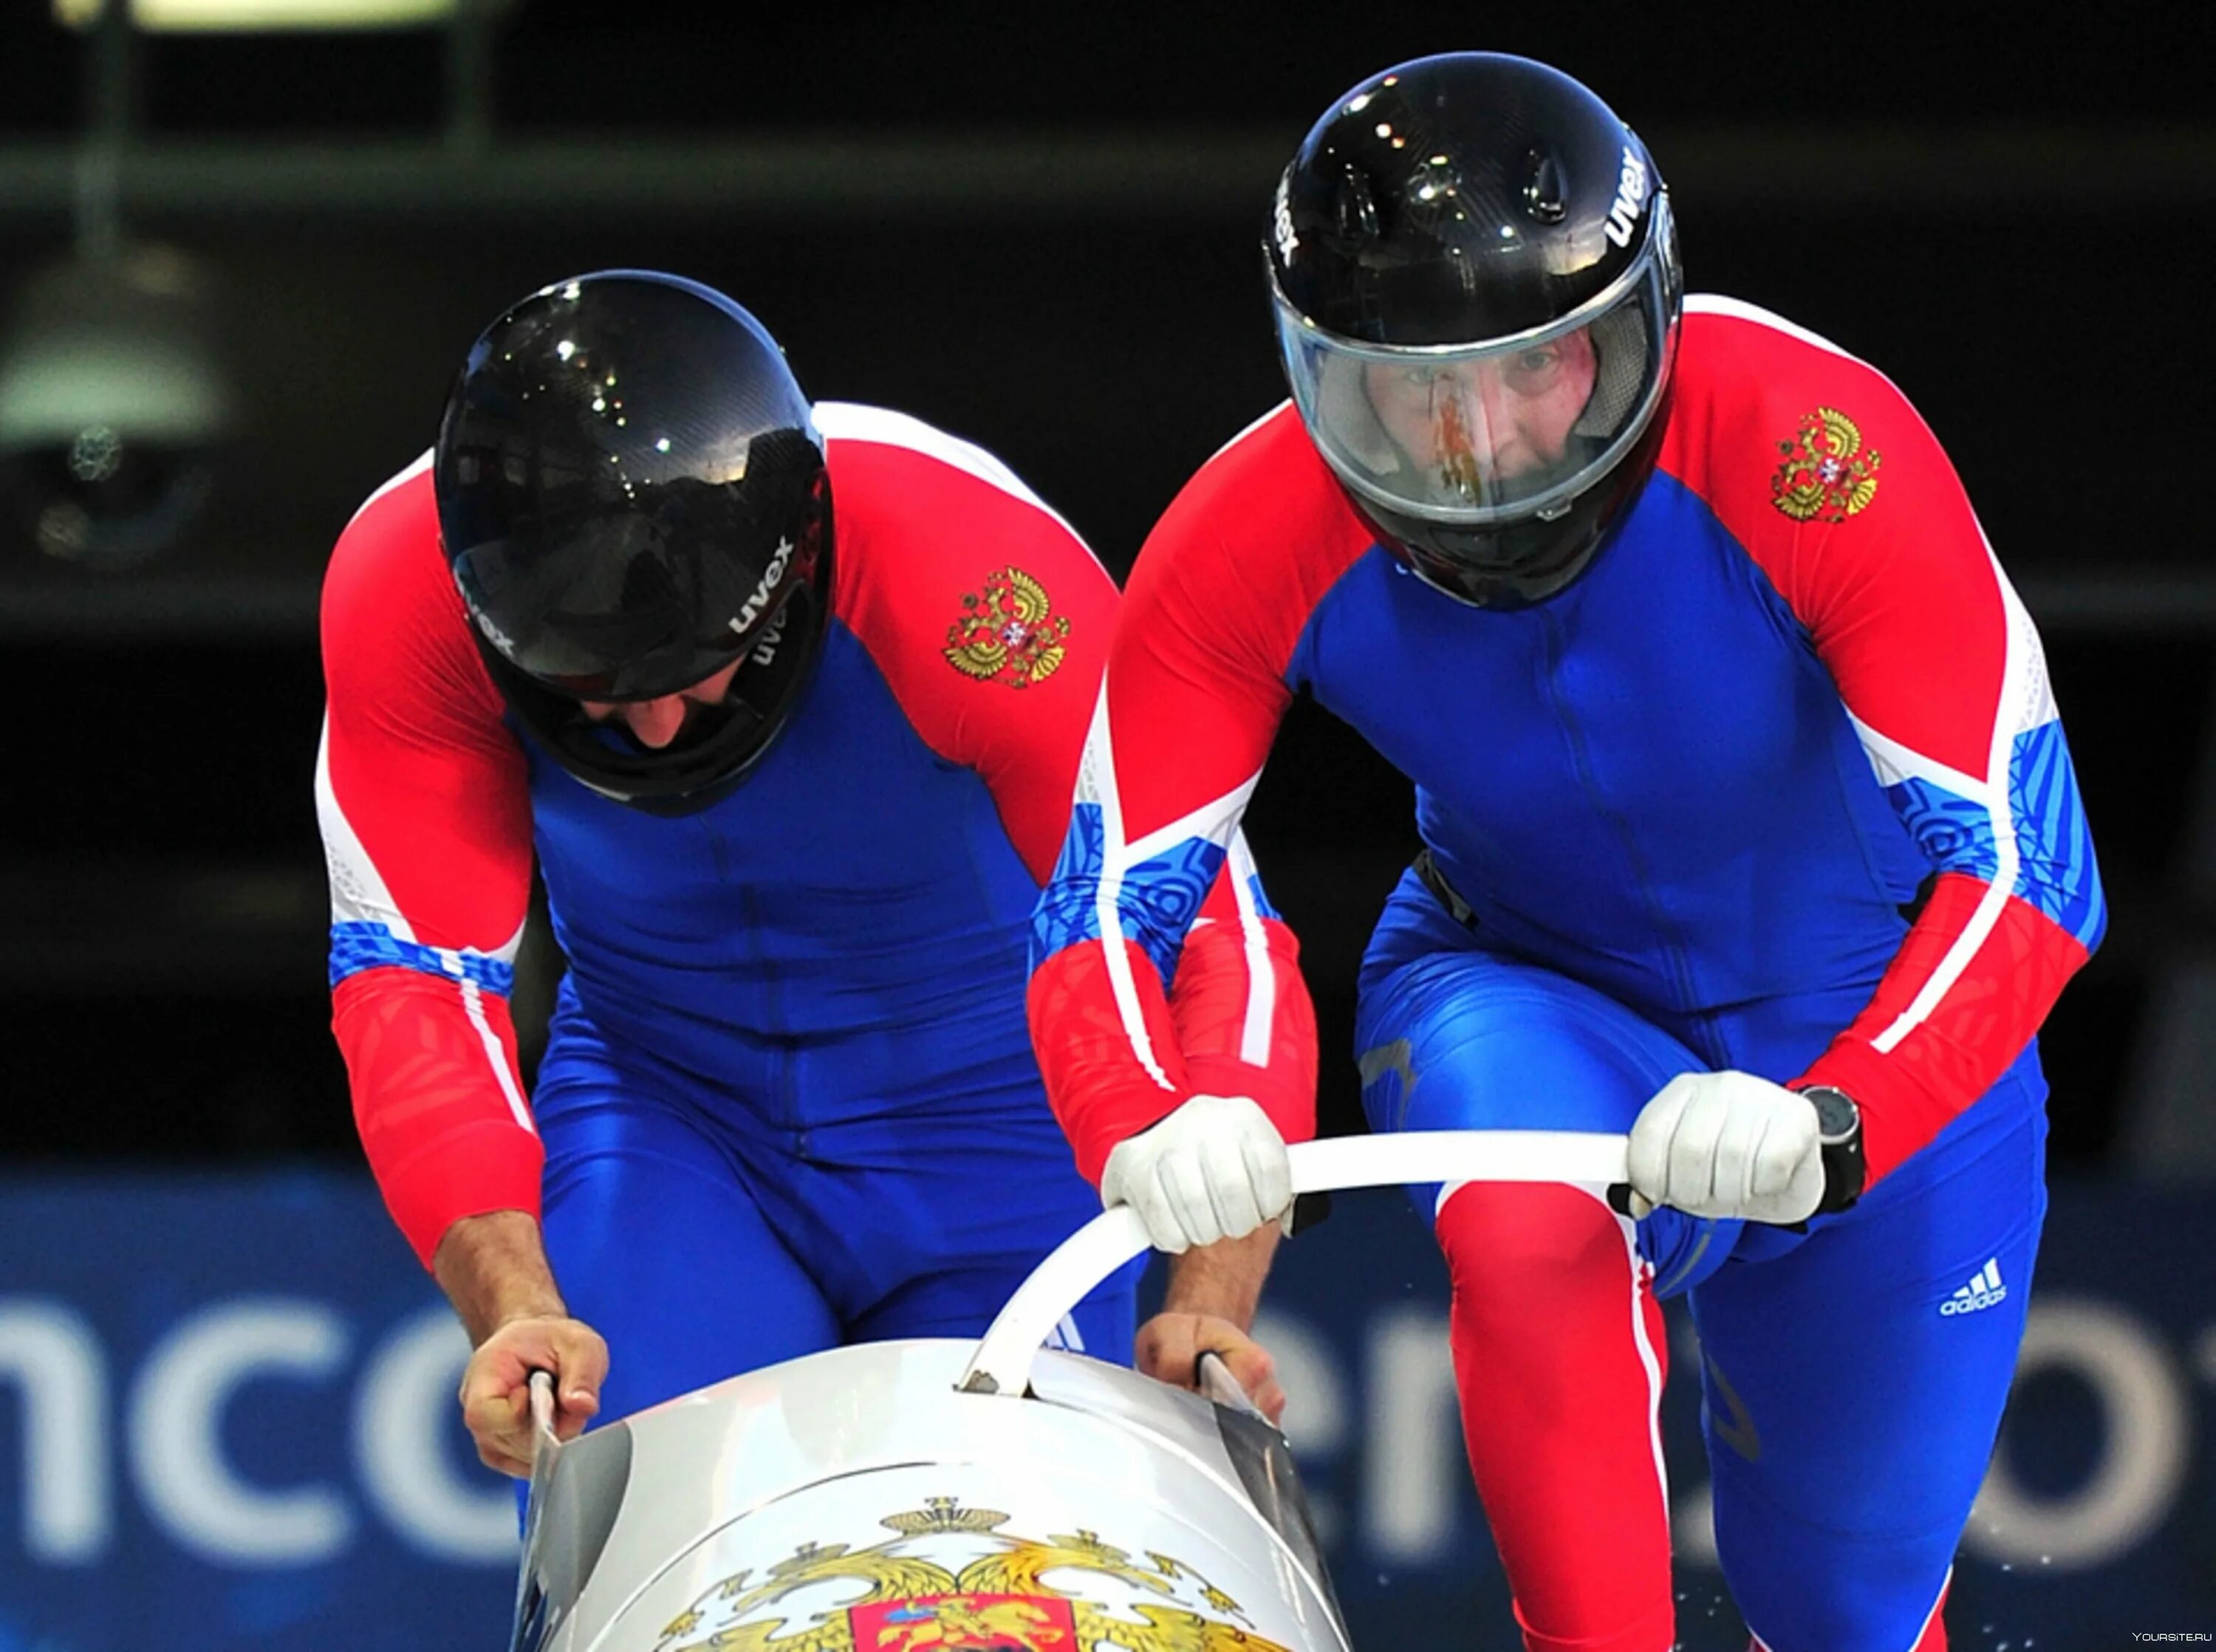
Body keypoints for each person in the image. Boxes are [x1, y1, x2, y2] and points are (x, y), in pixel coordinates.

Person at [1027, 53, 2103, 1652]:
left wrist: (1845, 1106)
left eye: (1537, 370)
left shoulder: (1818, 442)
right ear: (1324, 371)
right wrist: (1141, 1119)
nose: (1482, 446)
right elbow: (1102, 908)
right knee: (1530, 1240)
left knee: (1852, 1608)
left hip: (1871, 1036)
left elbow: (2032, 871)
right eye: (1414, 388)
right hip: (1523, 987)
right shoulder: (1245, 532)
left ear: (1635, 331)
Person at [316, 270, 1316, 1478]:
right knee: (641, 1503)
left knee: (984, 1576)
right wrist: (515, 1304)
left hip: (998, 1130)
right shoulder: (400, 594)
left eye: (697, 668)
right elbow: (414, 983)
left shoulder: (972, 569)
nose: (658, 730)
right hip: (668, 1116)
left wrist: (1214, 1285)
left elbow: (1208, 924)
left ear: (793, 567)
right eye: (595, 691)